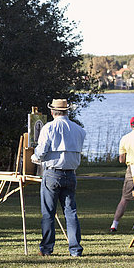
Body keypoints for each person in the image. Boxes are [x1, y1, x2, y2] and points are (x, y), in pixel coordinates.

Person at [32, 99, 86, 257]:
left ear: (52, 111)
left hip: (52, 172)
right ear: (67, 111)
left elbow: (41, 152)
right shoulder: (79, 130)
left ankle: (47, 248)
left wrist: (34, 157)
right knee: (71, 212)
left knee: (48, 212)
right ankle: (75, 249)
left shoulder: (49, 127)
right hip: (71, 173)